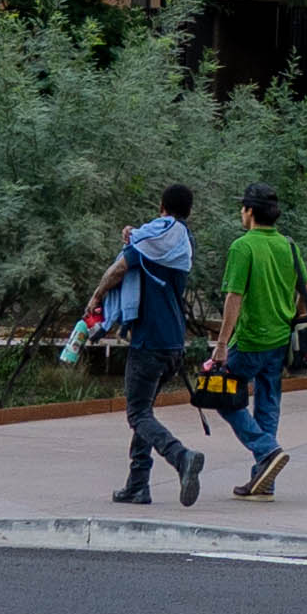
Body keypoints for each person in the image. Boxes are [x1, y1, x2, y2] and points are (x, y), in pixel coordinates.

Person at [104, 183, 207, 508]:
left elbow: (120, 268)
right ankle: (138, 485)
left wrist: (95, 297)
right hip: (175, 343)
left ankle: (181, 457)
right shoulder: (182, 243)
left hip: (149, 341)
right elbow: (147, 240)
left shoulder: (148, 245)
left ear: (161, 207)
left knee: (137, 414)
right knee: (144, 411)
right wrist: (133, 233)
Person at [215, 183, 307, 498]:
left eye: (242, 208)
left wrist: (221, 343)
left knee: (223, 397)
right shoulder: (290, 246)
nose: (241, 214)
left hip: (249, 340)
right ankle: (263, 477)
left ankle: (266, 450)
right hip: (280, 342)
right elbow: (306, 294)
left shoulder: (243, 247)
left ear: (251, 212)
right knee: (268, 405)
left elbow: (234, 297)